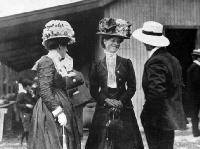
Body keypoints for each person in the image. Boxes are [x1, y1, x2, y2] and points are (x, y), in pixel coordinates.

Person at [85, 18, 144, 149]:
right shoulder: (96, 65)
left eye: (118, 41)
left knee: (126, 142)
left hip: (124, 107)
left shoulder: (126, 63)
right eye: (113, 40)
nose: (116, 44)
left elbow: (132, 87)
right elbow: (94, 90)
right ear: (104, 41)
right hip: (103, 107)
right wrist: (106, 100)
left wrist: (121, 101)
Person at [132, 21, 187, 149]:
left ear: (146, 41)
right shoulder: (172, 59)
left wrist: (146, 113)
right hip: (170, 117)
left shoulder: (156, 61)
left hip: (157, 119)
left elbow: (157, 92)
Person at [28, 20, 82, 149]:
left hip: (60, 104)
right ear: (59, 46)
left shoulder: (57, 61)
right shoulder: (46, 61)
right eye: (65, 46)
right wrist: (58, 112)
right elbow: (45, 90)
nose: (67, 49)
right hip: (49, 110)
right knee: (53, 142)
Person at [16, 79, 35, 145]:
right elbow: (17, 104)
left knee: (28, 128)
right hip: (24, 113)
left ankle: (22, 139)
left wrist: (33, 95)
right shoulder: (21, 94)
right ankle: (27, 142)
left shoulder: (29, 93)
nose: (31, 87)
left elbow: (33, 101)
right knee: (27, 128)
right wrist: (26, 105)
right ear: (26, 86)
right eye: (30, 86)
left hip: (30, 113)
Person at [187, 49, 200, 137]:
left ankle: (196, 132)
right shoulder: (196, 68)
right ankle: (196, 132)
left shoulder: (192, 67)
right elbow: (197, 81)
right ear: (198, 58)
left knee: (194, 114)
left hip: (193, 95)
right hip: (197, 95)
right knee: (195, 115)